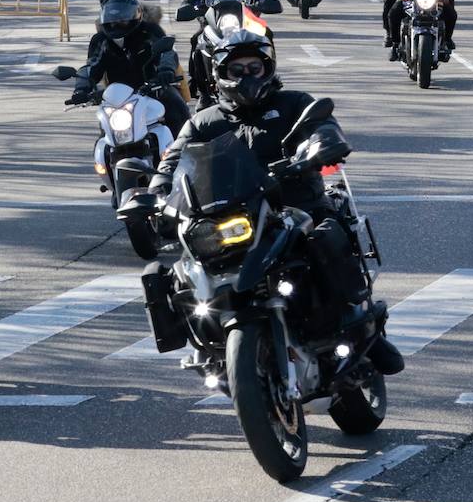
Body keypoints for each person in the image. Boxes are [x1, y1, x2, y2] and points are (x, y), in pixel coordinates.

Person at [149, 31, 404, 377]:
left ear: (268, 69)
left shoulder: (294, 103)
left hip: (299, 206)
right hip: (235, 218)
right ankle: (207, 347)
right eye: (236, 69)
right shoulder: (205, 121)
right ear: (220, 73)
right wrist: (158, 192)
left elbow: (323, 126)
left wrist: (322, 144)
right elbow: (173, 161)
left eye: (254, 68)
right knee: (178, 272)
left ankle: (364, 328)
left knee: (325, 237)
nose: (246, 77)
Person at [69, 0, 190, 134]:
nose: (117, 23)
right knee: (106, 131)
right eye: (112, 18)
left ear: (135, 14)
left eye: (122, 18)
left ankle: (182, 149)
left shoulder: (150, 31)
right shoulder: (100, 40)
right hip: (118, 98)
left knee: (177, 108)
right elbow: (92, 66)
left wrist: (166, 70)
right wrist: (82, 87)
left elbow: (166, 52)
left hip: (154, 90)